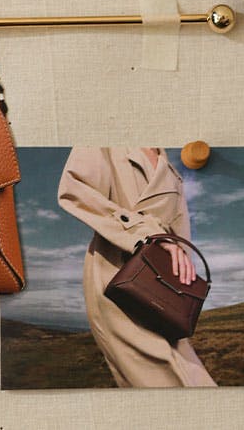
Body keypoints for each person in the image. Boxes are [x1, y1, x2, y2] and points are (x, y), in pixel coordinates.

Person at [57, 147, 216, 387]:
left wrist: (182, 278)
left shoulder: (171, 171)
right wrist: (147, 234)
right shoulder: (104, 143)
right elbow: (75, 189)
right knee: (162, 384)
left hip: (164, 291)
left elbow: (180, 235)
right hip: (118, 278)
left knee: (195, 381)